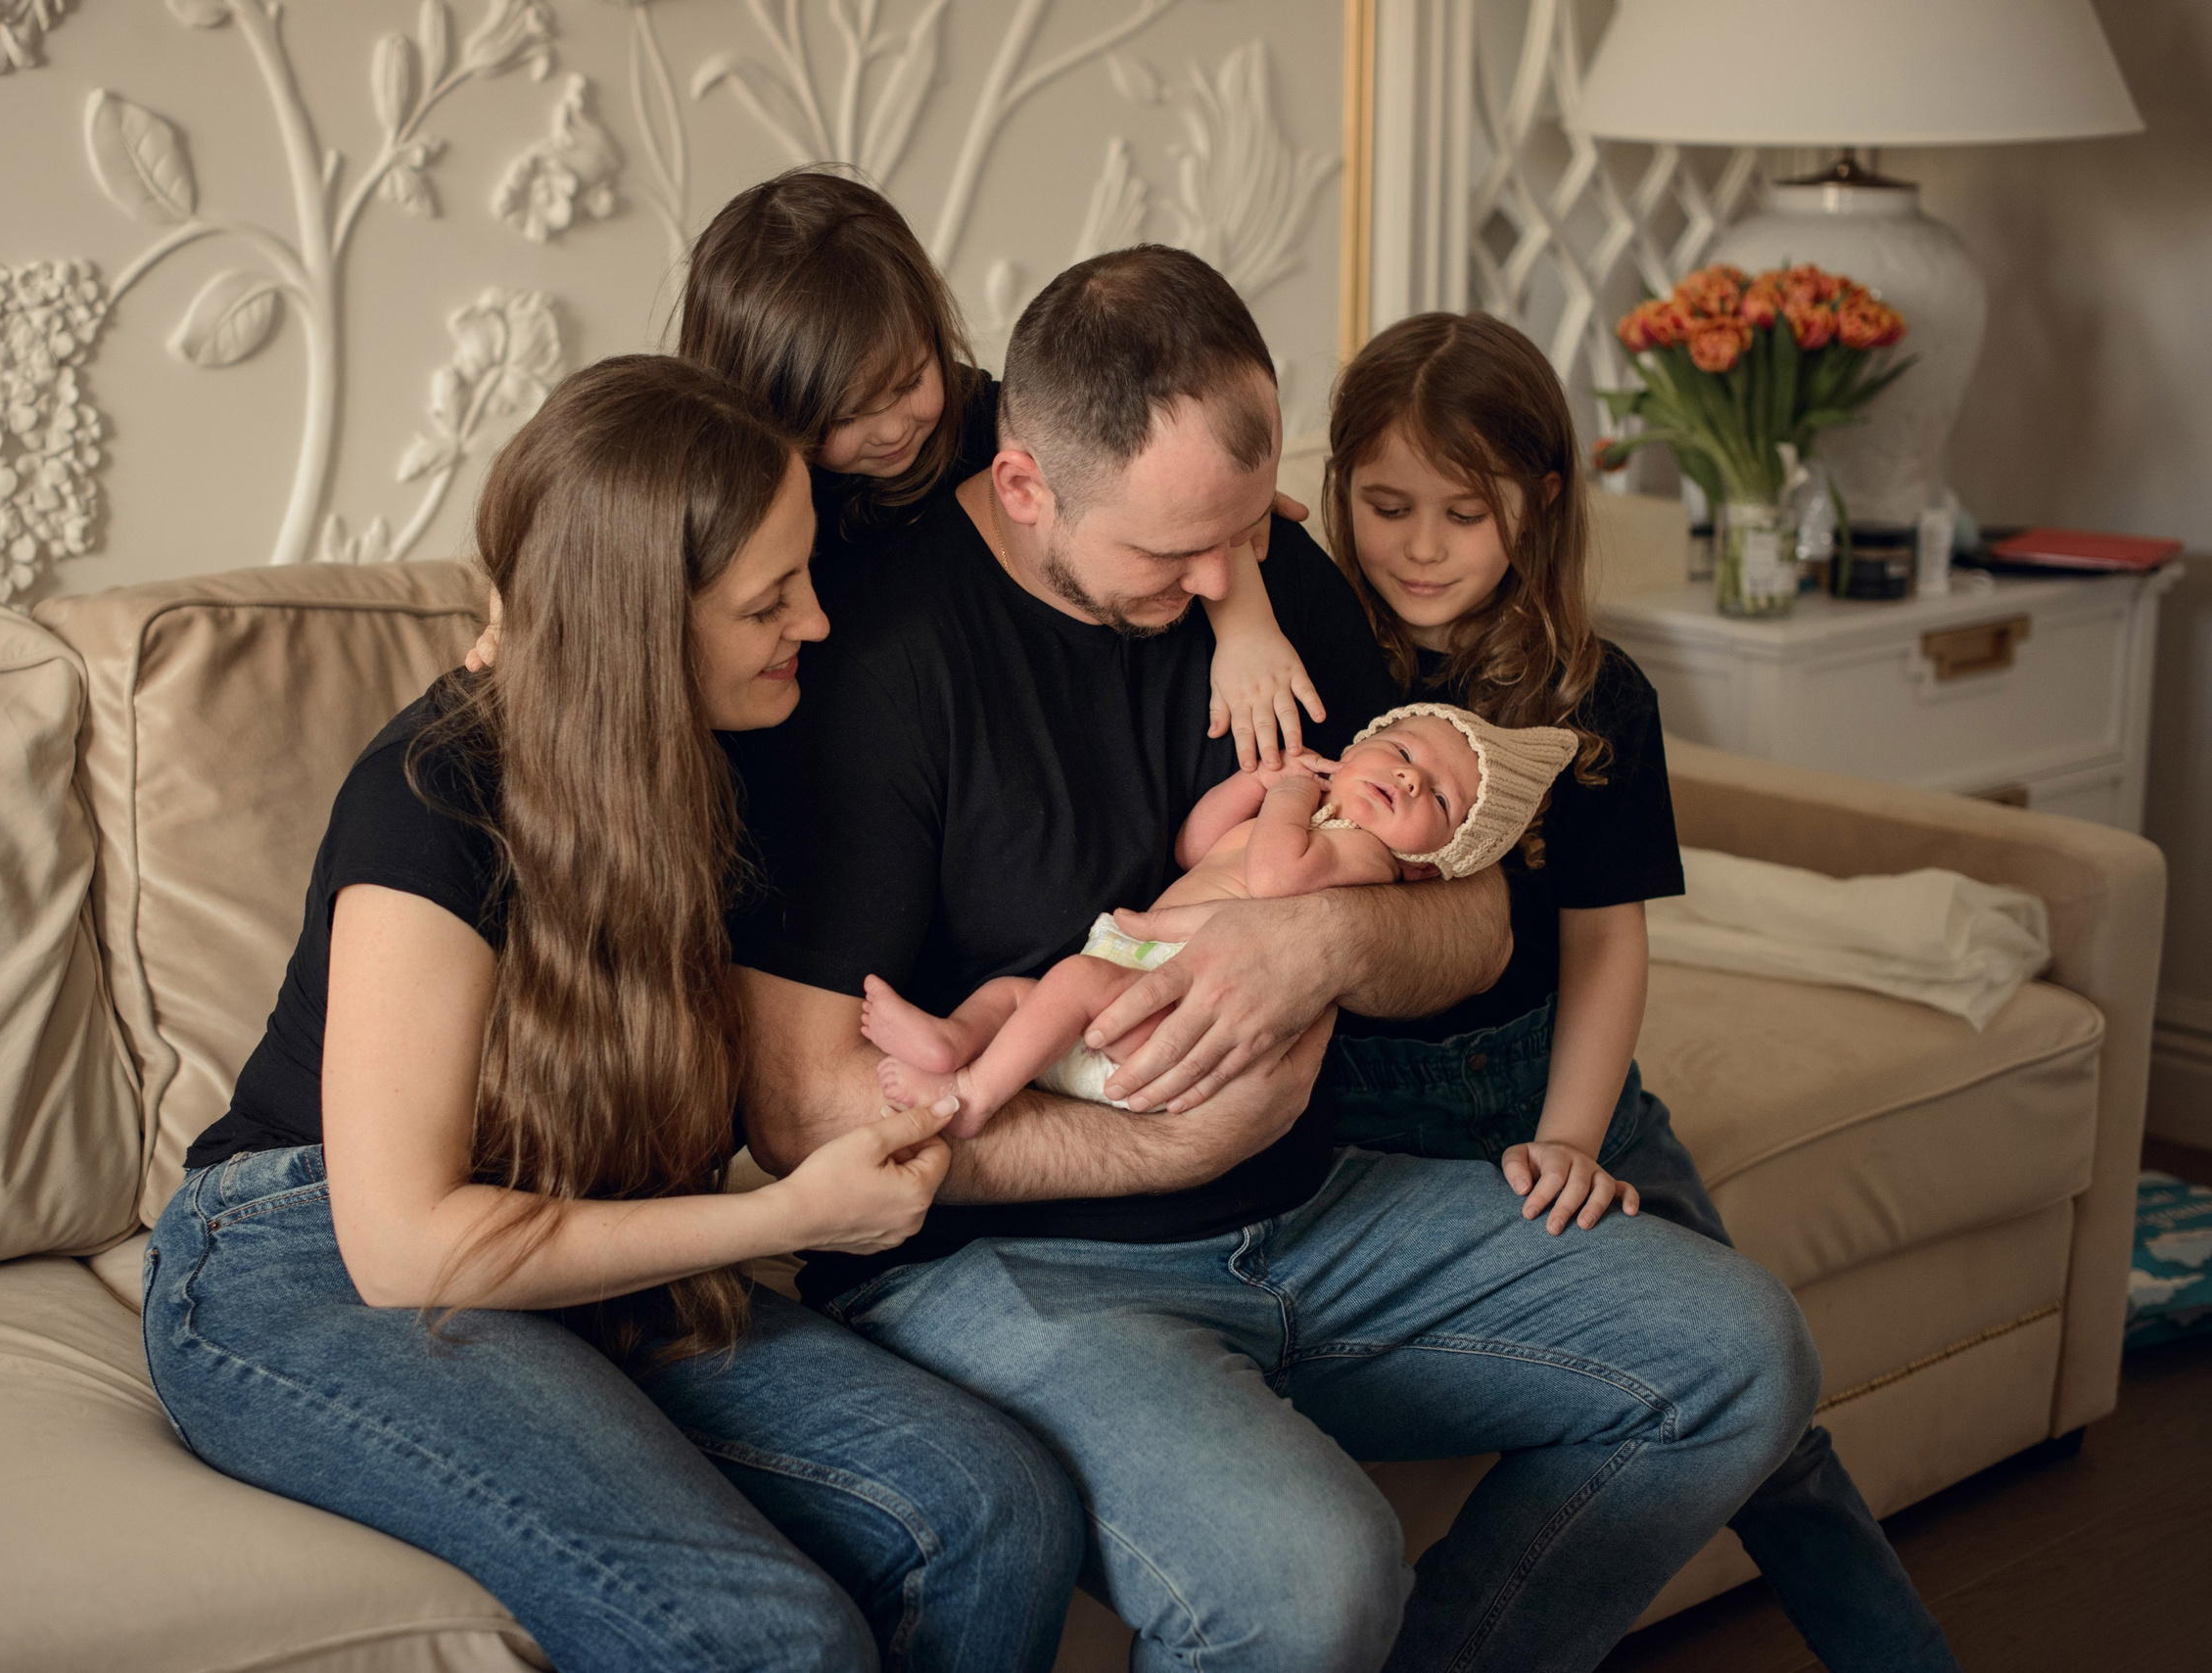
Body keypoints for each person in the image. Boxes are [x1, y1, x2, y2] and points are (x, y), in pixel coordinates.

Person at [729, 244, 1820, 1673]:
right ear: (1024, 486)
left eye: (1242, 532)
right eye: (1171, 550)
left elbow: (1477, 920)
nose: (1219, 579)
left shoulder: (1261, 571)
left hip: (1323, 1210)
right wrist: (1172, 1146)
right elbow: (806, 1108)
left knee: (1743, 1358)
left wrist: (1319, 940)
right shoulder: (870, 667)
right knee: (1313, 1578)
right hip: (1015, 1270)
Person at [141, 355, 1085, 1673]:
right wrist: (786, 1216)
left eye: (806, 575)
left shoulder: (735, 743)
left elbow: (989, 432)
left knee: (999, 1508)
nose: (818, 622)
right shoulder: (433, 797)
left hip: (590, 1240)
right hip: (310, 1258)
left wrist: (1248, 559)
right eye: (771, 602)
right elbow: (405, 1248)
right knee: (772, 1636)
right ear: (638, 621)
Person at [1315, 310, 1960, 1668]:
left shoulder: (1597, 698)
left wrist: (1570, 1134)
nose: (1421, 545)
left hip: (1561, 1086)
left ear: (1539, 504)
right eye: (1385, 505)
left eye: (1463, 510)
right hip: (1364, 1118)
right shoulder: (1314, 662)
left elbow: (1607, 943)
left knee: (1767, 1415)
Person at [470, 167, 1327, 766]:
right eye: (842, 416)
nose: (890, 429)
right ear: (764, 410)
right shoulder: (737, 499)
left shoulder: (990, 427)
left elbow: (1196, 509)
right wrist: (518, 606)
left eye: (909, 378)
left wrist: (1242, 612)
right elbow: (586, 519)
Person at [862, 702, 1580, 1136]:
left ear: (1433, 861)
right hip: (1140, 975)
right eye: (1399, 751)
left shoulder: (1368, 860)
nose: (1409, 777)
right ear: (1360, 745)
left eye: (1441, 801)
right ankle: (952, 1041)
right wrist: (1250, 784)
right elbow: (1195, 846)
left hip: (1180, 1016)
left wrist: (1291, 793)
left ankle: (974, 1099)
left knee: (1071, 982)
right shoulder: (1316, 819)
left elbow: (1275, 875)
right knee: (1022, 993)